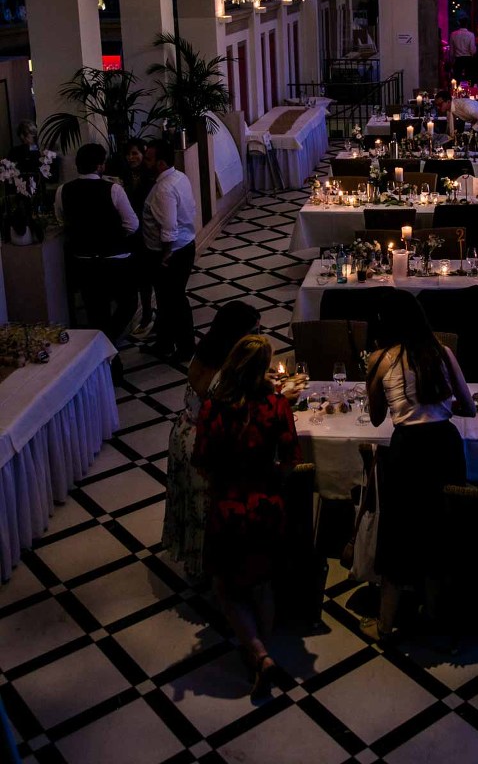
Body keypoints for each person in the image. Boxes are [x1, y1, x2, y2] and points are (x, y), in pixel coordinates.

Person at [363, 292, 476, 643]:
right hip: (443, 445)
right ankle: (438, 620)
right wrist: (439, 405)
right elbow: (469, 408)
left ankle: (384, 624)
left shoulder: (381, 360)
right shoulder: (442, 352)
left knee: (398, 533)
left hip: (407, 449)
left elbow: (377, 416)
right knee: (440, 532)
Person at [193, 334, 302, 696]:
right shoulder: (275, 406)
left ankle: (257, 654)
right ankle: (264, 650)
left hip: (229, 505)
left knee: (226, 586)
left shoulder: (212, 408)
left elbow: (203, 463)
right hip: (266, 504)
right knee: (263, 583)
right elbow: (290, 460)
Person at [163, 300, 261, 580]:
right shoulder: (229, 369)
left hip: (183, 434)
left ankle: (198, 561)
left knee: (192, 503)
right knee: (206, 507)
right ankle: (214, 566)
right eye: (253, 330)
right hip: (205, 444)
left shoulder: (204, 352)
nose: (257, 336)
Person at [54, 142, 139, 344]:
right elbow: (132, 224)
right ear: (101, 166)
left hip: (84, 262)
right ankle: (107, 341)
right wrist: (116, 235)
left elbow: (61, 221)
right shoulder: (114, 190)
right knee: (128, 303)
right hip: (115, 260)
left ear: (77, 166)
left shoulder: (62, 191)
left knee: (96, 312)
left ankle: (103, 347)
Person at [142, 138, 197, 364]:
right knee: (167, 300)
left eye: (148, 159)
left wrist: (165, 256)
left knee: (174, 300)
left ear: (161, 163)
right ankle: (164, 342)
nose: (145, 162)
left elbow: (169, 228)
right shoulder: (179, 176)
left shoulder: (164, 189)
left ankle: (185, 347)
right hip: (184, 246)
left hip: (172, 253)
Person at [119, 138, 155, 337]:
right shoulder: (123, 176)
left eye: (135, 153)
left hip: (147, 231)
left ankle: (149, 314)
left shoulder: (150, 177)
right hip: (131, 232)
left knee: (148, 277)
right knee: (138, 276)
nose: (131, 158)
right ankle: (141, 314)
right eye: (128, 154)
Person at [448, 15, 477, 82]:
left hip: (458, 59)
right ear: (467, 24)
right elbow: (472, 50)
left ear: (459, 23)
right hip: (468, 59)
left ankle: (456, 91)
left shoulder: (453, 34)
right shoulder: (471, 35)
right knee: (469, 79)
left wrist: (451, 60)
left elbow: (452, 50)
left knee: (457, 79)